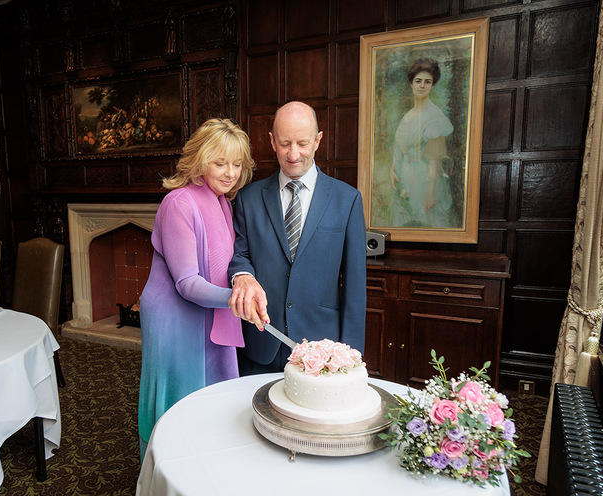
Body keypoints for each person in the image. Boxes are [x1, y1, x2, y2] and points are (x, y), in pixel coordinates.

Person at [138, 118, 255, 461]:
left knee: (210, 395)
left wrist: (239, 290)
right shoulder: (179, 203)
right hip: (174, 318)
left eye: (236, 164)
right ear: (199, 160)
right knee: (177, 400)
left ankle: (203, 465)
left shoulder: (222, 202)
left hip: (210, 310)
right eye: (220, 163)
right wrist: (236, 300)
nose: (230, 172)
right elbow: (187, 282)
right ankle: (165, 471)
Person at [227, 101, 368, 375]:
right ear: (271, 142)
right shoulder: (248, 198)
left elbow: (354, 285)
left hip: (322, 351)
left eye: (302, 143)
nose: (293, 154)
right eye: (284, 143)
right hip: (259, 345)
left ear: (318, 141)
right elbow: (238, 254)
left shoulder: (347, 200)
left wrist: (350, 356)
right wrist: (242, 276)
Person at [389, 57, 455, 227]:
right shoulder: (408, 116)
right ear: (411, 83)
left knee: (426, 223)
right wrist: (393, 168)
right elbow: (400, 146)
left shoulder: (435, 118)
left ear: (433, 85)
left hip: (425, 181)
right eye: (418, 81)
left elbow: (435, 159)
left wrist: (430, 192)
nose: (422, 86)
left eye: (427, 82)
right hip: (406, 178)